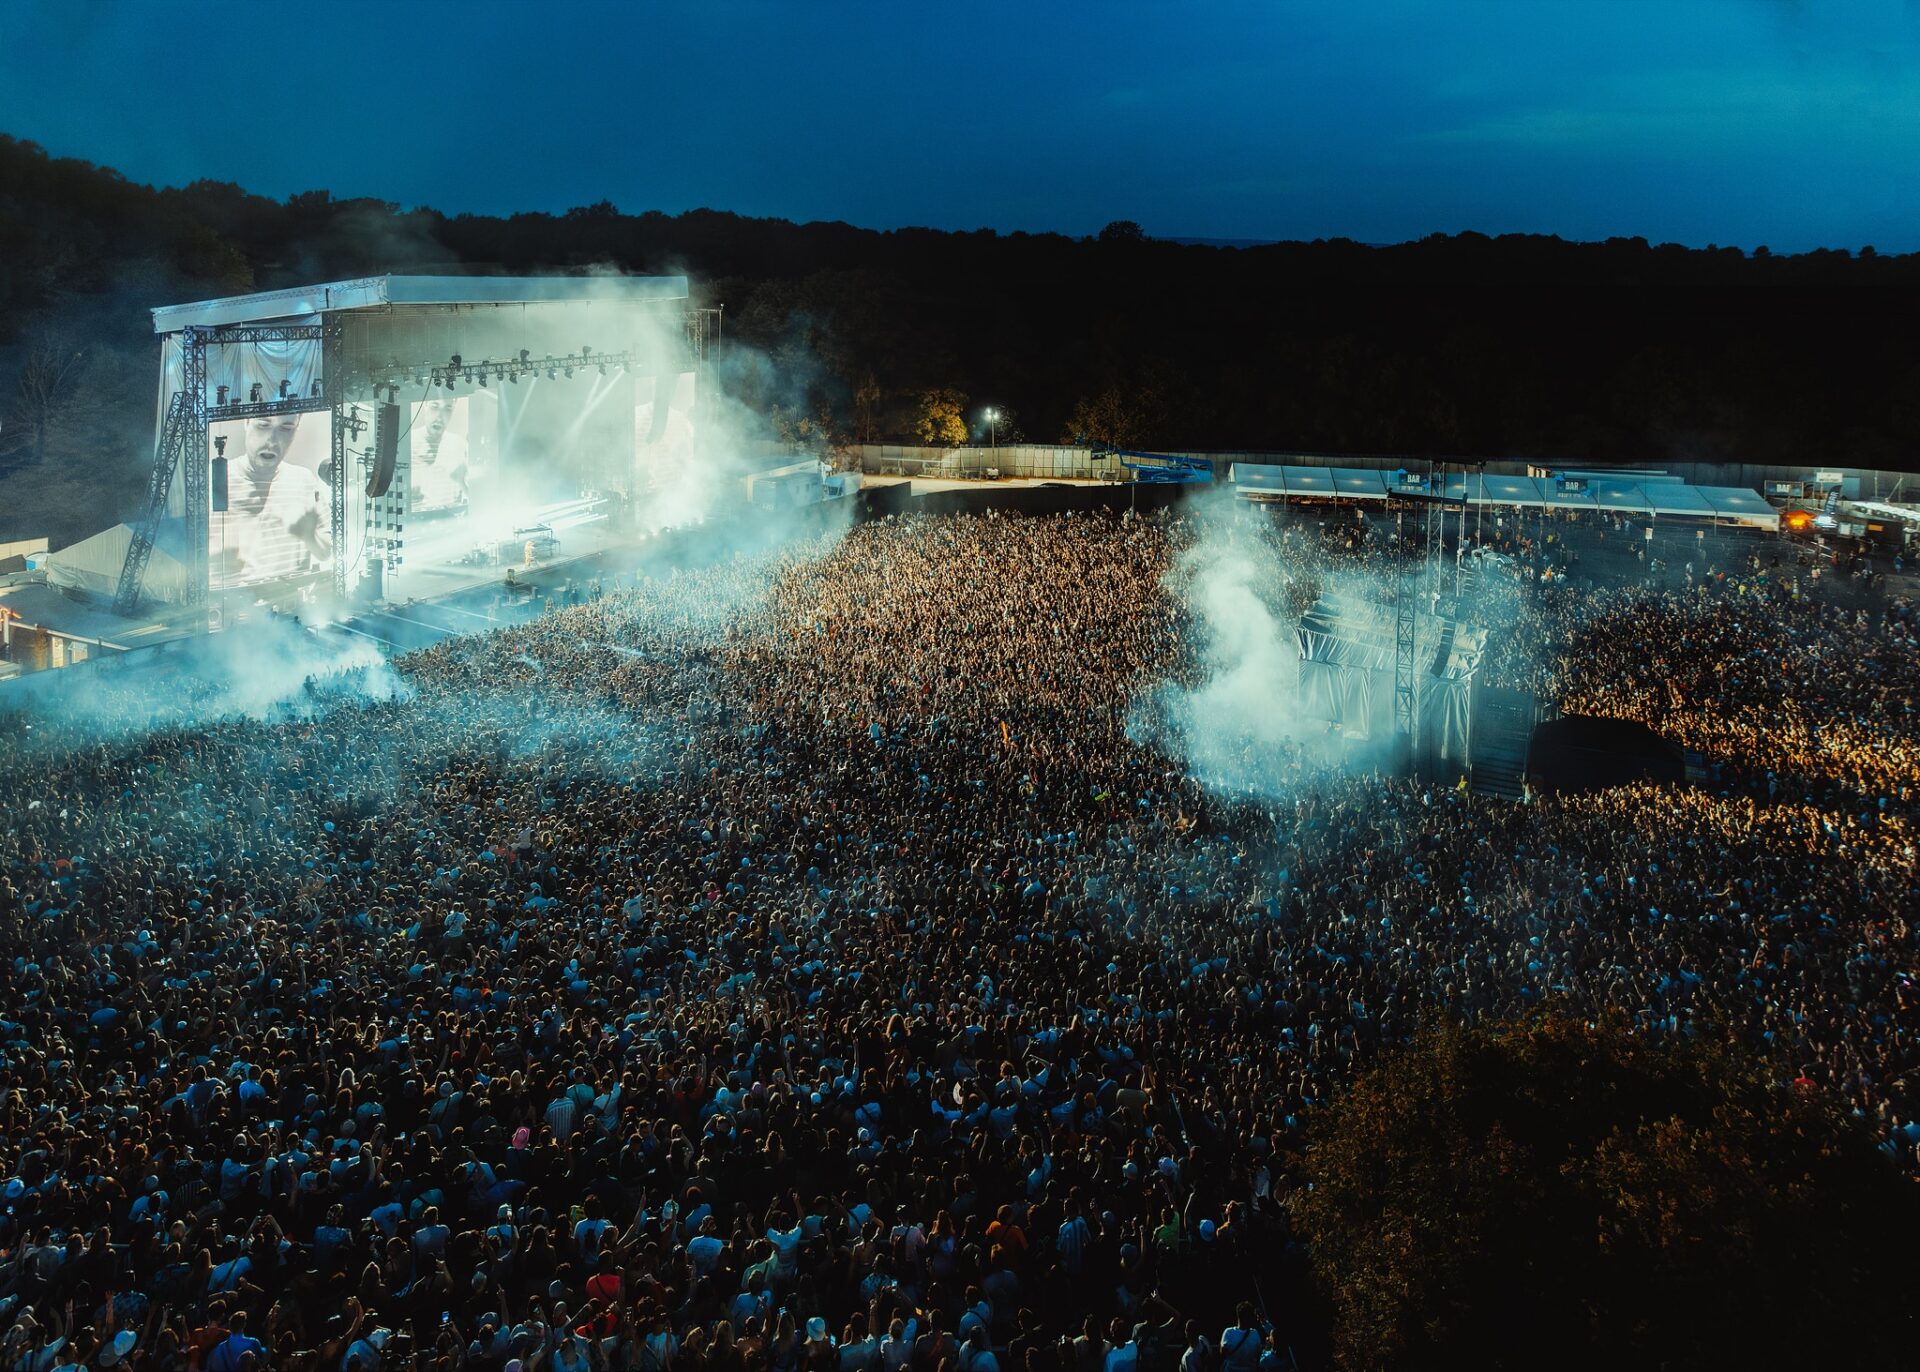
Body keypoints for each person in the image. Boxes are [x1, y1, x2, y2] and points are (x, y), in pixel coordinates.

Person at [210, 413, 330, 583]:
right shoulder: (211, 479)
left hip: (290, 603)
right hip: (231, 604)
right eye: (263, 425)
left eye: (286, 428)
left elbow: (326, 553)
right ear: (247, 422)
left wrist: (308, 536)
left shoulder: (304, 480)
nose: (272, 440)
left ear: (296, 429)